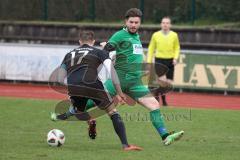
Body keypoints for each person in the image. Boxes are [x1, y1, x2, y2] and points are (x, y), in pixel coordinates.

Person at [96, 8, 184, 146]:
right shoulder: (119, 35)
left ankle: (165, 136)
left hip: (134, 82)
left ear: (140, 23)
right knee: (93, 100)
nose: (133, 25)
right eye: (131, 22)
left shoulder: (136, 36)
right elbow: (107, 50)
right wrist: (108, 49)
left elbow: (134, 55)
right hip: (119, 80)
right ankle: (70, 109)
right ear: (126, 21)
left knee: (154, 105)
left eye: (136, 22)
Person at [50, 31, 142, 151]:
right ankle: (125, 145)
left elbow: (60, 79)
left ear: (79, 42)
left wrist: (73, 88)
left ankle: (90, 121)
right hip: (92, 84)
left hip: (74, 85)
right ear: (93, 42)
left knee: (78, 110)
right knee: (112, 111)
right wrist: (119, 92)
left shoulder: (69, 55)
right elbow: (111, 71)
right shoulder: (99, 52)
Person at [147, 16, 180, 106]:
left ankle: (160, 98)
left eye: (167, 23)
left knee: (168, 83)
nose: (165, 24)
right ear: (161, 24)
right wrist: (149, 60)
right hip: (159, 60)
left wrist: (175, 58)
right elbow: (151, 48)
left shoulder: (174, 35)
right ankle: (161, 101)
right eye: (163, 23)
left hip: (170, 61)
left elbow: (177, 47)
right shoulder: (156, 35)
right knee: (161, 81)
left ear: (170, 25)